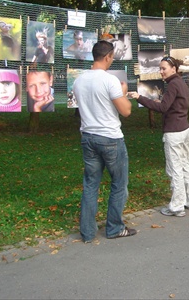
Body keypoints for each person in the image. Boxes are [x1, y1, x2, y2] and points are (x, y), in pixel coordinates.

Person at [73, 40, 135, 242]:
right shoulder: (110, 81)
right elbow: (125, 111)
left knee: (91, 184)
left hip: (88, 137)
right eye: (112, 57)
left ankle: (88, 232)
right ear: (108, 56)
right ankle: (114, 228)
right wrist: (123, 93)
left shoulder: (78, 80)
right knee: (119, 183)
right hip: (110, 138)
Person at [128, 56, 189, 217]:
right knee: (185, 165)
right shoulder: (181, 83)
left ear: (173, 69)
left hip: (174, 132)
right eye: (160, 68)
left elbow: (164, 108)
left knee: (175, 169)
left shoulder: (173, 84)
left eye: (164, 68)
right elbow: (173, 105)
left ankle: (177, 206)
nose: (161, 72)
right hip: (185, 129)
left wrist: (140, 98)